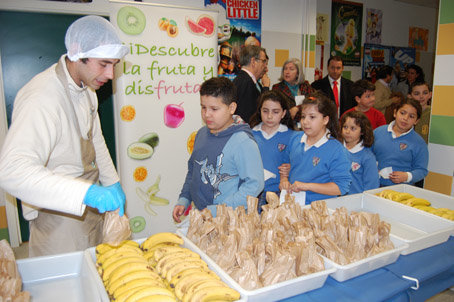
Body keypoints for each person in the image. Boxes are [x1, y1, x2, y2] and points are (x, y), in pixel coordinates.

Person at [0, 16, 128, 257]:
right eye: (103, 64)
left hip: (89, 207)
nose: (111, 74)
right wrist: (87, 193)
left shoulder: (87, 90)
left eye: (114, 64)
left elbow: (95, 140)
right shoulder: (42, 97)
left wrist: (112, 182)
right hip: (57, 216)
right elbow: (11, 171)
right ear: (78, 54)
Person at [173, 77, 264, 222]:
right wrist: (184, 198)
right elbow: (193, 171)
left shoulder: (243, 142)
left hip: (231, 221)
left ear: (231, 108)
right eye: (203, 107)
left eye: (214, 109)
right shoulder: (201, 134)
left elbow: (254, 185)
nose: (207, 114)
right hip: (202, 215)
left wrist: (217, 211)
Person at [280, 92, 351, 204]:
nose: (305, 122)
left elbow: (341, 187)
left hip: (320, 211)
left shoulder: (336, 149)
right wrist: (284, 179)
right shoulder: (295, 139)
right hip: (294, 205)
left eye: (312, 117)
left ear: (325, 120)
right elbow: (285, 167)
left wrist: (307, 186)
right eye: (303, 117)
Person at [249, 90, 295, 211]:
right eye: (265, 111)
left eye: (275, 112)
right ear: (260, 111)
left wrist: (291, 168)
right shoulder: (250, 134)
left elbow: (299, 163)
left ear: (284, 113)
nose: (269, 116)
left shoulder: (292, 137)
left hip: (278, 193)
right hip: (253, 193)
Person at [372, 98, 428, 187]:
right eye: (402, 113)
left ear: (416, 121)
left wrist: (406, 176)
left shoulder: (419, 143)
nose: (405, 118)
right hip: (374, 184)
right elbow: (366, 154)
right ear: (395, 113)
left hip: (402, 189)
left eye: (411, 116)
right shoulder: (378, 132)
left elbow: (422, 170)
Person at [339, 111, 379, 194]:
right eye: (345, 127)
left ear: (362, 131)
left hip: (356, 201)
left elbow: (372, 187)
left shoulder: (368, 157)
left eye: (353, 128)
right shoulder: (337, 149)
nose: (347, 131)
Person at [232, 45, 270, 124]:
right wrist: (266, 88)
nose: (266, 67)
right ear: (253, 62)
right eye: (264, 61)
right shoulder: (245, 83)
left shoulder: (250, 82)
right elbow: (248, 116)